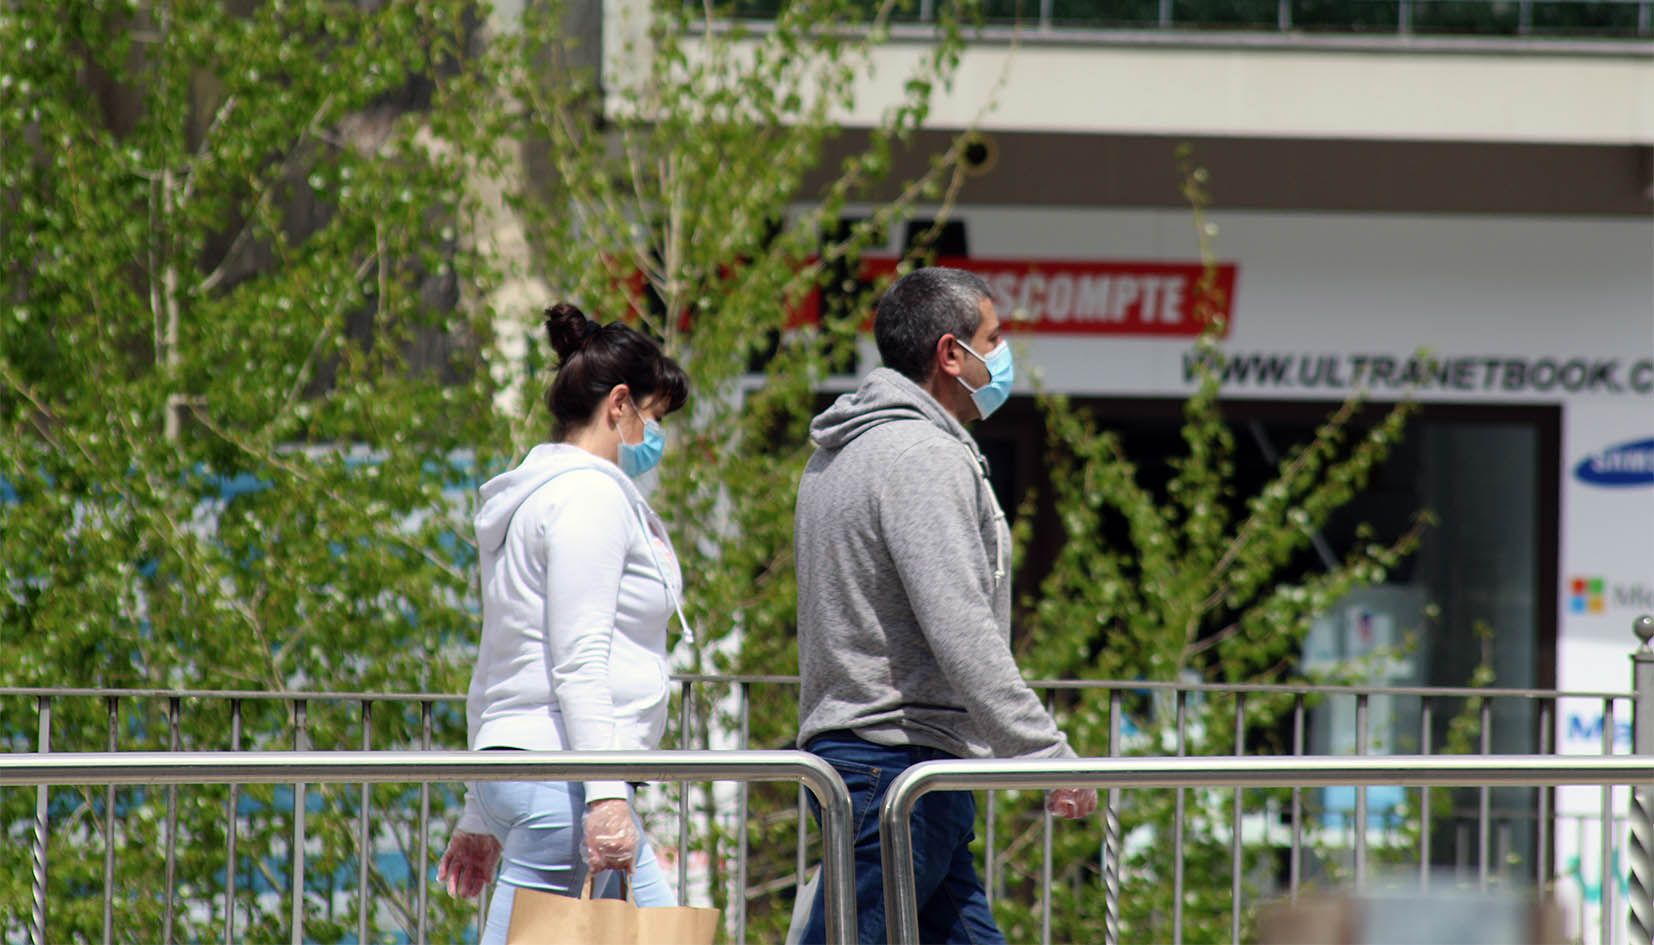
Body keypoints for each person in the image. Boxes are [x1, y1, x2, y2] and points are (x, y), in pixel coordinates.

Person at [794, 267, 1097, 945]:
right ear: (950, 353)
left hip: (882, 760)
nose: (1004, 353)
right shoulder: (921, 456)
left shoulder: (841, 452)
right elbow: (962, 627)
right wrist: (1047, 754)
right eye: (994, 337)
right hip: (893, 766)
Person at [437, 302, 692, 944]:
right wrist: (606, 795)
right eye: (655, 419)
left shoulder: (532, 498)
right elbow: (580, 659)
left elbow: (498, 659)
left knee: (666, 933)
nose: (657, 438)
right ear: (620, 405)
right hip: (566, 779)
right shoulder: (591, 496)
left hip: (533, 769)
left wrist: (480, 804)